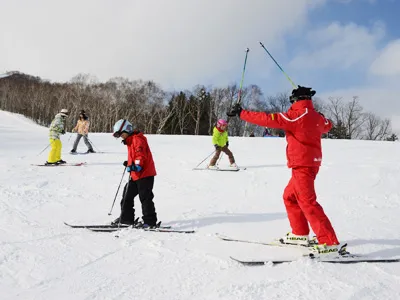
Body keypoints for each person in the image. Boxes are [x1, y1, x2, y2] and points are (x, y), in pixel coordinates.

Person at [227, 86, 341, 256]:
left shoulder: (295, 116)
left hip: (302, 165)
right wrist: (322, 117)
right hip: (308, 163)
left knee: (308, 202)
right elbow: (327, 125)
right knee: (290, 197)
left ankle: (329, 242)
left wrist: (242, 113)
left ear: (295, 100)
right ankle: (300, 233)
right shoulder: (316, 117)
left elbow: (267, 119)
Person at [111, 119, 158, 227]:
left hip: (145, 174)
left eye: (121, 134)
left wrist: (136, 165)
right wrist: (130, 163)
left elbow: (140, 155)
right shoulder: (130, 141)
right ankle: (126, 219)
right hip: (135, 175)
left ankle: (150, 222)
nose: (121, 137)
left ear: (127, 130)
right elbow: (135, 156)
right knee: (127, 196)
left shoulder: (137, 139)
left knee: (145, 198)